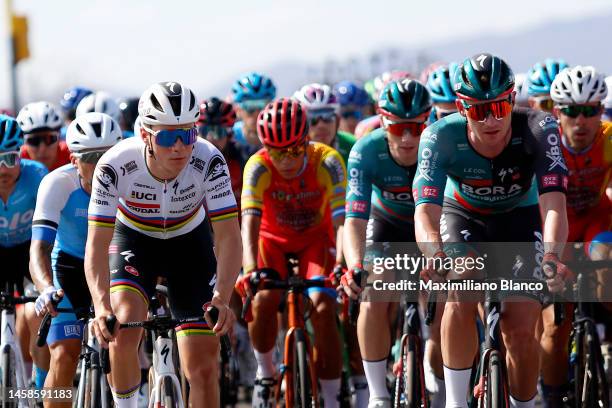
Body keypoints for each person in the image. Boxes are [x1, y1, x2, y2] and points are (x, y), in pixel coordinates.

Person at [412, 53, 570, 408]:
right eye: (479, 109)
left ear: (513, 99)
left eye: (500, 106)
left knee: (519, 329)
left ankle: (526, 404)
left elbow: (554, 207)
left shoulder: (540, 127)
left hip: (520, 216)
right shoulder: (438, 137)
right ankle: (455, 401)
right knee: (462, 284)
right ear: (461, 108)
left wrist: (551, 256)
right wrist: (435, 256)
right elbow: (425, 213)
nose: (492, 119)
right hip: (462, 216)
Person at [85, 81, 241, 408]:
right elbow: (97, 245)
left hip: (190, 244)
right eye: (169, 136)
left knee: (202, 366)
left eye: (188, 134)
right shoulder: (114, 165)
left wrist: (222, 298)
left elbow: (228, 235)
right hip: (134, 240)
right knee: (124, 326)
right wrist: (102, 306)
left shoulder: (209, 160)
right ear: (145, 135)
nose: (180, 147)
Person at [340, 79, 446, 408]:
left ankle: (444, 388)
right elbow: (354, 220)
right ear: (382, 120)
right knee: (373, 294)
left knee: (449, 301)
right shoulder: (365, 150)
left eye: (416, 127)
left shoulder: (440, 144)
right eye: (398, 127)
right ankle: (377, 394)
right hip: (385, 226)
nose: (408, 137)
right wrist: (356, 266)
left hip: (433, 224)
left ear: (427, 119)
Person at [237, 98, 346, 408]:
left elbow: (340, 221)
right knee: (264, 298)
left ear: (306, 141)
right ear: (265, 148)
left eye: (294, 151)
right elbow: (250, 223)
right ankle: (265, 372)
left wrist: (340, 263)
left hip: (315, 240)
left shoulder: (328, 161)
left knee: (324, 306)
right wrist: (248, 269)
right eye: (276, 151)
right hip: (272, 242)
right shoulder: (258, 166)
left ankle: (331, 396)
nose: (285, 160)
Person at [30, 112, 122, 408]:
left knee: (121, 348)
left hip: (113, 266)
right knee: (65, 354)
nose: (100, 165)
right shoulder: (57, 184)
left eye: (107, 155)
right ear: (73, 160)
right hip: (69, 267)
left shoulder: (131, 181)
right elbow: (39, 249)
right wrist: (45, 287)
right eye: (90, 157)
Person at [537, 65, 612, 407]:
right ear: (557, 113)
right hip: (557, 226)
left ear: (601, 110)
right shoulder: (543, 142)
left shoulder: (610, 138)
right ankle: (552, 398)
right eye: (571, 111)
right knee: (555, 325)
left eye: (590, 110)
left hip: (596, 220)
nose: (581, 121)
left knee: (605, 264)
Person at [0, 114, 48, 384]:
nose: (2, 170)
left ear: (21, 155)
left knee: (36, 313)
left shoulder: (37, 177)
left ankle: (41, 388)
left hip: (28, 252)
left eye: (9, 159)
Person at [293, 83, 356, 165]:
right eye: (312, 119)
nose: (321, 125)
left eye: (328, 116)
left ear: (337, 119)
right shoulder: (290, 154)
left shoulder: (353, 147)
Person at [198, 97, 243, 202]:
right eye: (205, 131)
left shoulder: (241, 158)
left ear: (229, 135)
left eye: (218, 132)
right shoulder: (185, 159)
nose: (210, 138)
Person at [232, 72, 277, 162]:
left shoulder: (280, 136)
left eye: (262, 106)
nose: (257, 113)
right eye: (250, 107)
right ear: (238, 110)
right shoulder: (228, 137)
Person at [17, 102, 71, 171]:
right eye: (34, 141)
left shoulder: (71, 155)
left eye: (49, 139)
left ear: (59, 136)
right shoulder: (15, 161)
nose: (42, 149)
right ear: (23, 141)